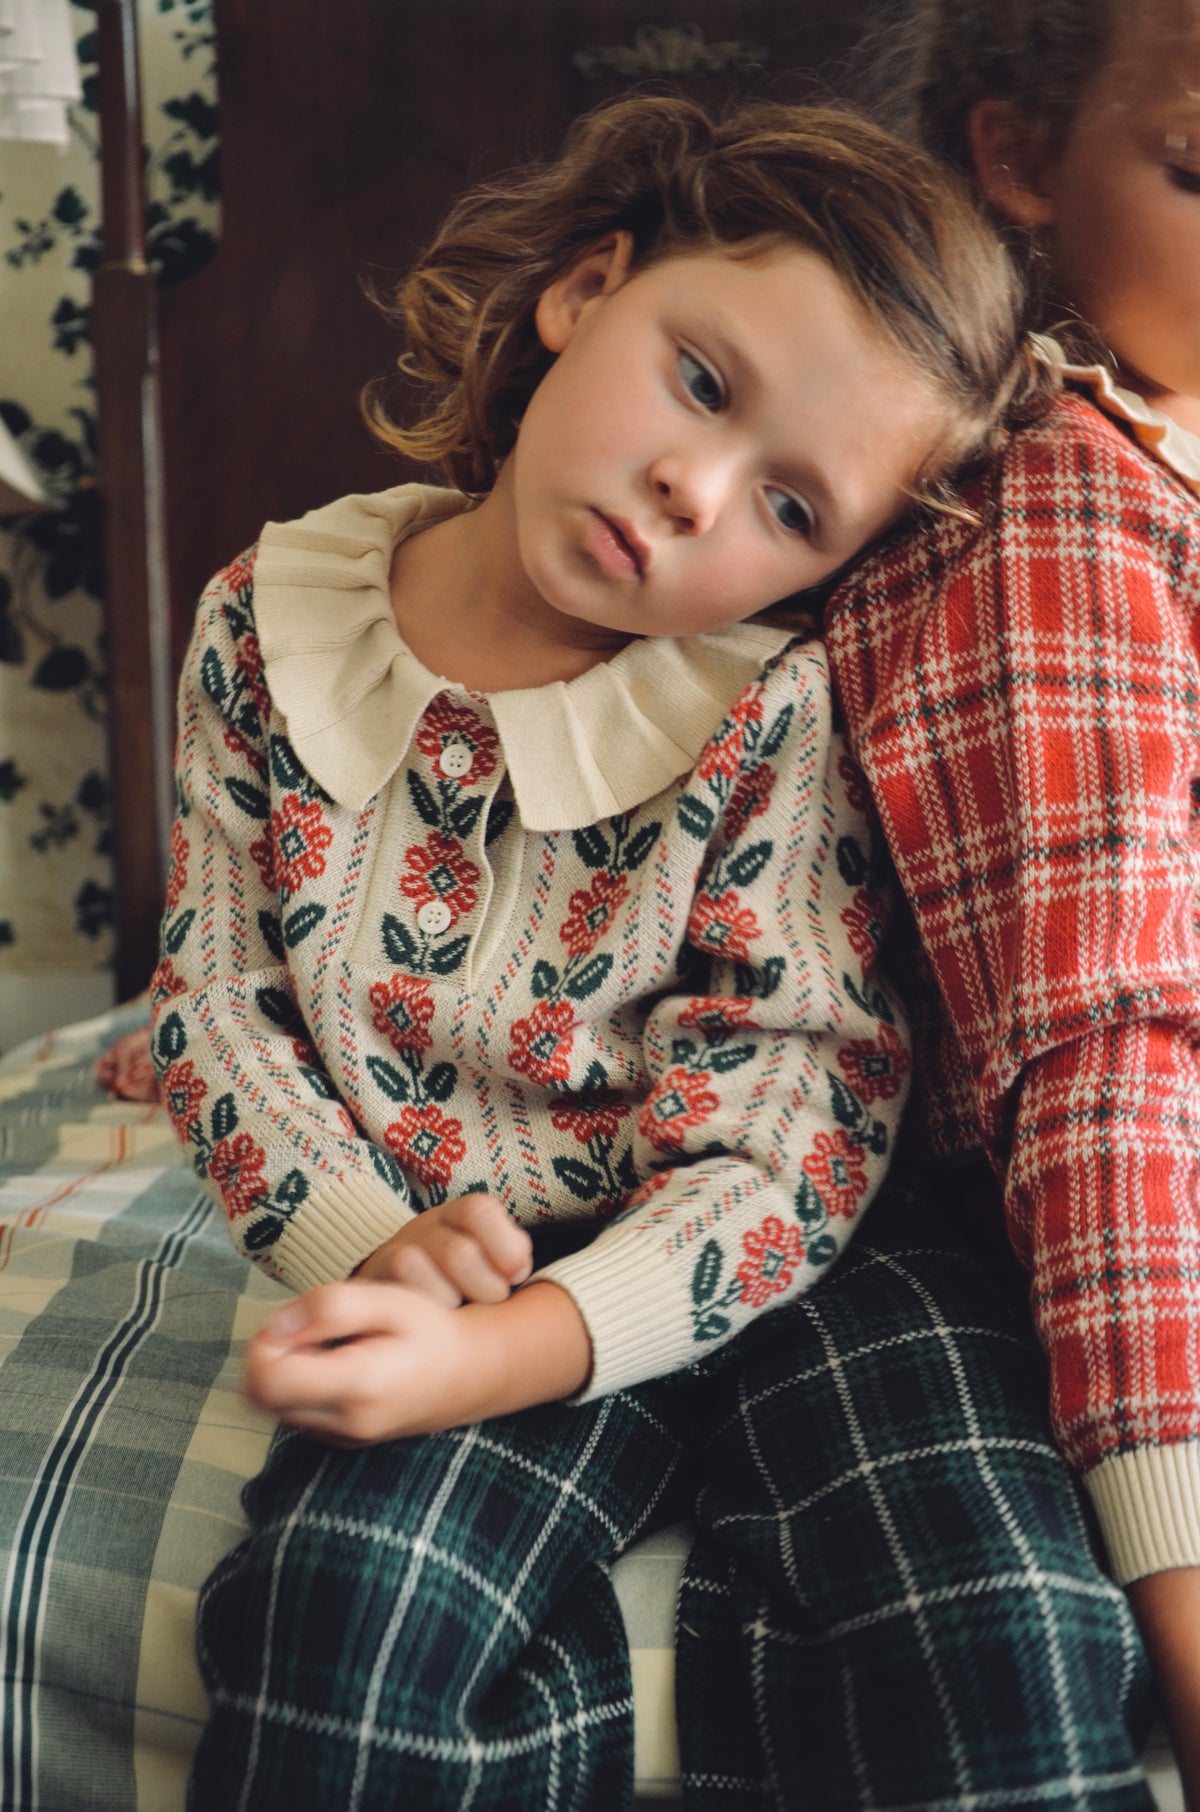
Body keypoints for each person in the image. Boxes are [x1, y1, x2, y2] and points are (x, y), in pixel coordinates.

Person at [149, 94, 1036, 1809]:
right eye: (701, 382)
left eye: (791, 508)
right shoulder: (268, 618)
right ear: (587, 286)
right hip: (464, 1256)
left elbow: (800, 1120)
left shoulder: (770, 710)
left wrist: (532, 1343)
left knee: (989, 1625)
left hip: (793, 1263)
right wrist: (379, 1247)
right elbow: (218, 1005)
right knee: (340, 1621)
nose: (693, 491)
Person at [676, 3, 1200, 1807]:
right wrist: (1190, 1597)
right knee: (991, 1640)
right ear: (1021, 158)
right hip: (988, 1223)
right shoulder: (1059, 507)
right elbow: (1101, 1064)